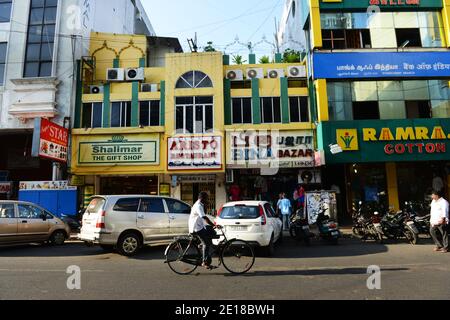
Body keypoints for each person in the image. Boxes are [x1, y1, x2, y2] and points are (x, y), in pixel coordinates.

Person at [189, 192, 220, 267]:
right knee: (206, 243)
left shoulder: (200, 204)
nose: (207, 200)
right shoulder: (198, 206)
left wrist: (206, 205)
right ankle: (204, 261)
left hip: (200, 226)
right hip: (196, 228)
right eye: (206, 198)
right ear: (202, 199)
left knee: (211, 232)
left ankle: (201, 245)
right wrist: (214, 225)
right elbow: (204, 217)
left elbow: (204, 213)